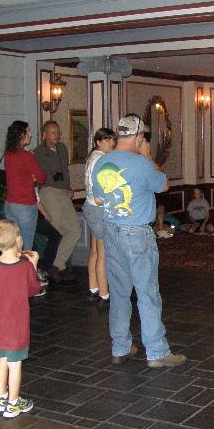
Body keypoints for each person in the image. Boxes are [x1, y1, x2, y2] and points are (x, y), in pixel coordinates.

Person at [92, 115, 186, 368]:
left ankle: (120, 348)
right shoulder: (141, 163)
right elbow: (163, 185)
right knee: (147, 293)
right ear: (138, 137)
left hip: (111, 231)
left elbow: (99, 199)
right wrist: (148, 156)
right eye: (142, 137)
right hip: (136, 234)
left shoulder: (102, 162)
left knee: (119, 293)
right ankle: (156, 352)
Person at [0, 219, 41, 419]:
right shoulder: (24, 267)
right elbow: (33, 289)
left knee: (1, 360)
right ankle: (14, 403)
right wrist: (33, 265)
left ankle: (1, 397)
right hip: (14, 326)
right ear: (17, 240)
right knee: (15, 365)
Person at [33, 121, 80, 283]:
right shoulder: (38, 152)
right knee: (56, 229)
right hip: (49, 191)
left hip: (63, 192)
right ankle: (51, 267)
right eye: (52, 132)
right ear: (44, 134)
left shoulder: (62, 148)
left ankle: (56, 264)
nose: (56, 135)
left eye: (58, 132)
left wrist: (69, 188)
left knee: (74, 230)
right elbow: (41, 176)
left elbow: (65, 171)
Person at [83, 127, 116, 304]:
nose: (111, 143)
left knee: (95, 250)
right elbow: (102, 188)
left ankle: (93, 287)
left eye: (112, 139)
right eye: (107, 139)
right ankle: (104, 293)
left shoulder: (93, 157)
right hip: (97, 208)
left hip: (90, 206)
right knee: (103, 252)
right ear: (98, 142)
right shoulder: (101, 159)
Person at [3, 121, 46, 252]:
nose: (30, 135)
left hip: (10, 204)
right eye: (28, 131)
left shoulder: (8, 154)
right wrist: (33, 177)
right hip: (25, 204)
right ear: (21, 134)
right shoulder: (26, 156)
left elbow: (18, 176)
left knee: (13, 246)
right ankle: (26, 266)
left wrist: (29, 178)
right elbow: (41, 177)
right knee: (26, 246)